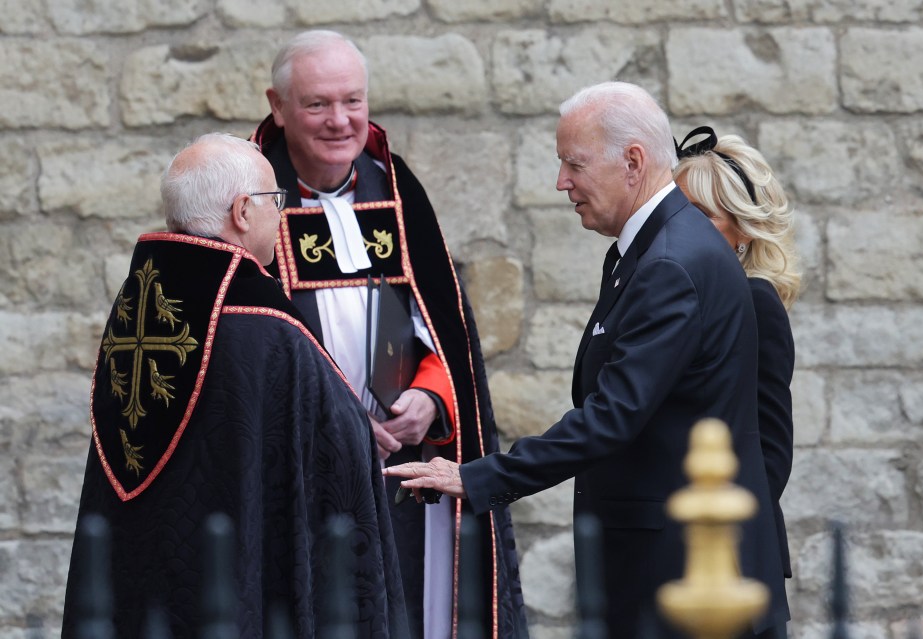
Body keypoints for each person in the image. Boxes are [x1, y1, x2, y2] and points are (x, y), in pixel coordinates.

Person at [385, 82, 790, 639]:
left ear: (632, 162)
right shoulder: (647, 252)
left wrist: (478, 476)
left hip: (684, 578)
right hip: (655, 569)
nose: (561, 182)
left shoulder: (672, 262)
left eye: (574, 164)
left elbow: (612, 415)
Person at [61, 133, 408, 638]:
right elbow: (337, 465)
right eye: (275, 202)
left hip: (150, 580)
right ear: (243, 212)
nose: (281, 216)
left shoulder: (138, 314)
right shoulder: (266, 330)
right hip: (238, 583)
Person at [252, 30, 525, 639]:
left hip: (403, 464)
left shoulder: (397, 188)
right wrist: (338, 424)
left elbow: (442, 329)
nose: (340, 121)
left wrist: (430, 399)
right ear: (278, 105)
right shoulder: (249, 197)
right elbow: (245, 349)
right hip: (302, 470)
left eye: (353, 101)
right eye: (318, 104)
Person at [674, 127, 802, 599]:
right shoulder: (675, 294)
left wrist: (722, 544)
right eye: (679, 212)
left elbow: (771, 448)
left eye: (702, 215)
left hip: (730, 560)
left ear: (743, 230)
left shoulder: (755, 301)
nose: (684, 227)